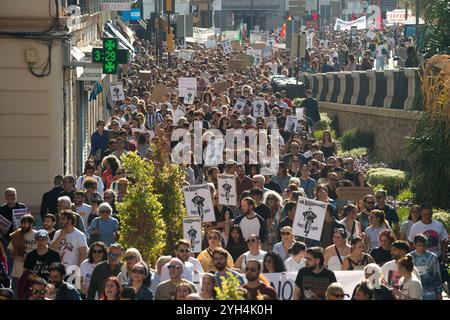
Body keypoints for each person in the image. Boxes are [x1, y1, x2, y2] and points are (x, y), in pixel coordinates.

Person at [8, 214, 36, 295]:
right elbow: (11, 253)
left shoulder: (37, 235)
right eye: (22, 223)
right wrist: (16, 257)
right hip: (17, 273)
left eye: (25, 223)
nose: (23, 225)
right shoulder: (16, 235)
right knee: (16, 296)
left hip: (32, 273)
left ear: (31, 224)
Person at [407, 234, 442, 300]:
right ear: (414, 245)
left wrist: (439, 292)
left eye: (424, 245)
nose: (422, 248)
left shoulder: (432, 257)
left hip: (430, 292)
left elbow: (436, 275)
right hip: (414, 292)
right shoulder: (409, 257)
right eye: (419, 245)